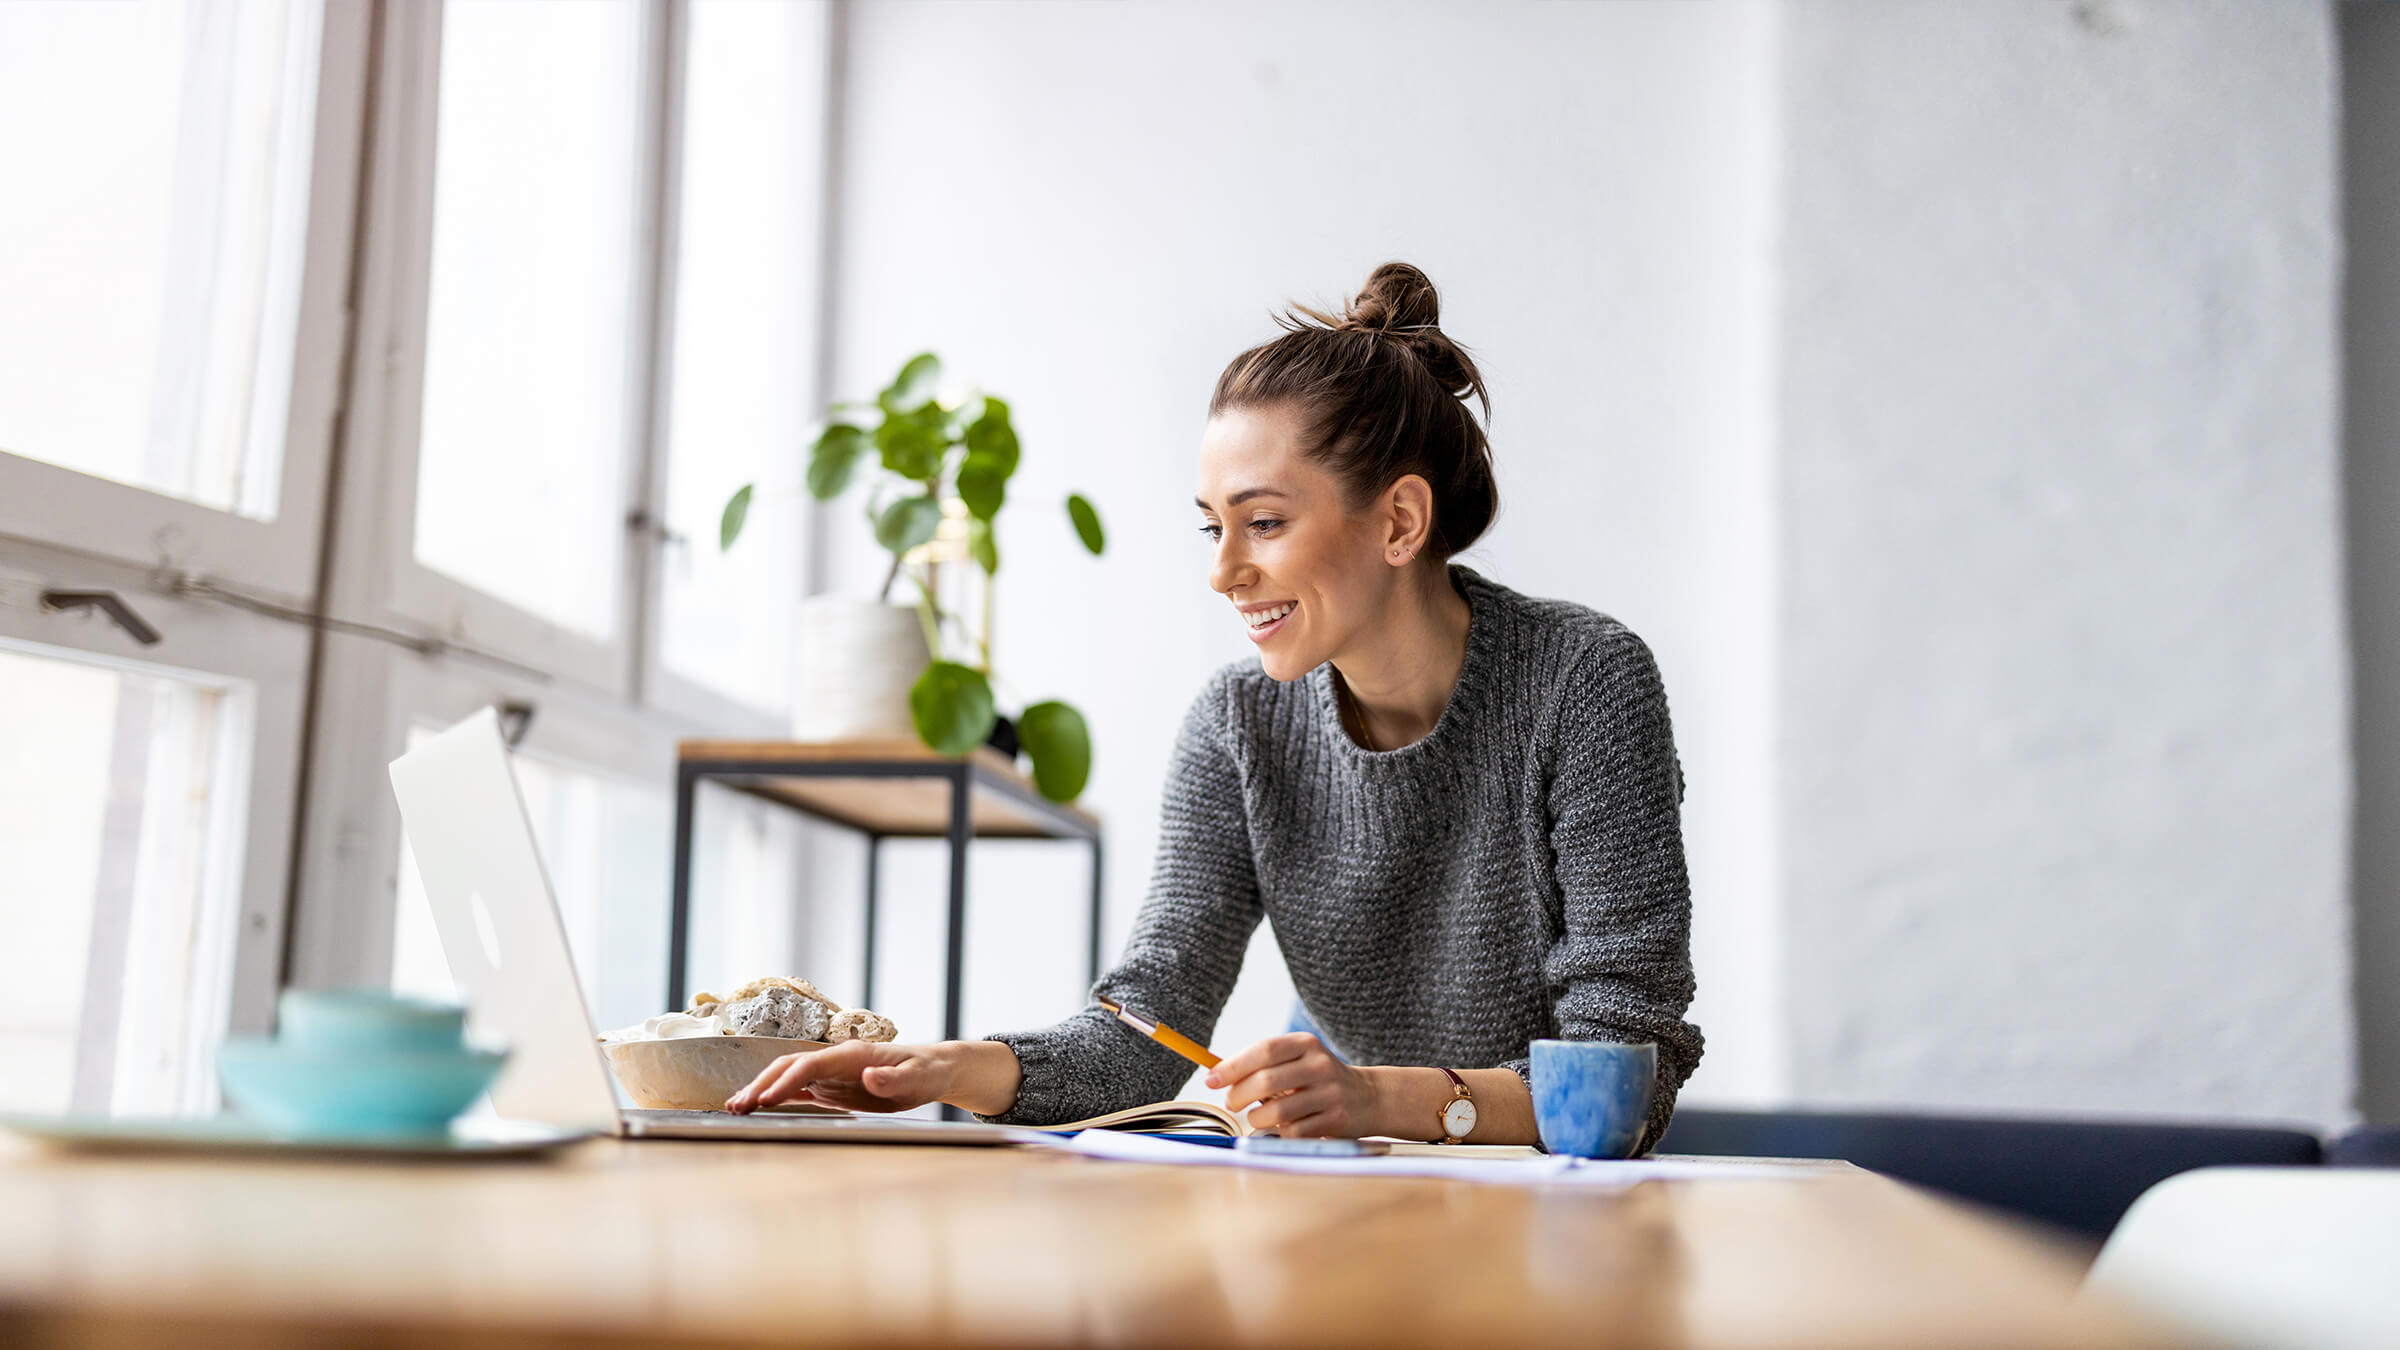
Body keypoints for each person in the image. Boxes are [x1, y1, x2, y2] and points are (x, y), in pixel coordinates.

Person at [728, 261, 1703, 1151]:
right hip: (1353, 1190)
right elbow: (1150, 1028)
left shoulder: (1584, 683)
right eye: (1212, 528)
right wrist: (949, 1070)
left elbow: (1623, 1077)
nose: (1224, 572)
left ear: (1400, 521)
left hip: (1557, 1217)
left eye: (1264, 524)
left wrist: (1372, 1098)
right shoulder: (1239, 726)